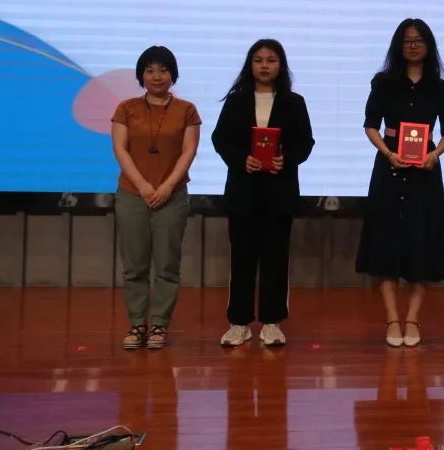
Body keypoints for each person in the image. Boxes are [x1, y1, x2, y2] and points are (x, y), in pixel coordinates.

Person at [356, 19, 444, 347]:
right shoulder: (384, 83)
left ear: (428, 45)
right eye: (407, 41)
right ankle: (391, 319)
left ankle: (412, 318)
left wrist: (435, 154)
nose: (413, 46)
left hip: (425, 169)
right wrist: (387, 152)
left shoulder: (440, 87)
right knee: (386, 242)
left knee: (421, 241)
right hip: (390, 165)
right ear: (398, 46)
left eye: (418, 41)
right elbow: (371, 125)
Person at [212, 39, 314, 347]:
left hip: (279, 193)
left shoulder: (294, 102)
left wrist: (288, 158)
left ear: (281, 65)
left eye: (271, 60)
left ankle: (272, 322)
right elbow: (220, 139)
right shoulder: (236, 100)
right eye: (258, 60)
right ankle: (239, 323)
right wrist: (240, 159)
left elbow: (305, 142)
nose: (265, 66)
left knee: (276, 260)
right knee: (242, 260)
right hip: (243, 192)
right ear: (250, 65)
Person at [111, 46, 201, 350]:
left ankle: (160, 324)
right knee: (134, 266)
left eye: (163, 70)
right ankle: (137, 324)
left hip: (172, 196)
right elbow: (120, 149)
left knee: (166, 265)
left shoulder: (187, 110)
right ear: (141, 75)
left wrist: (166, 187)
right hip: (132, 194)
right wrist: (143, 186)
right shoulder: (126, 108)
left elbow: (189, 151)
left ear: (173, 74)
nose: (157, 76)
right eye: (150, 70)